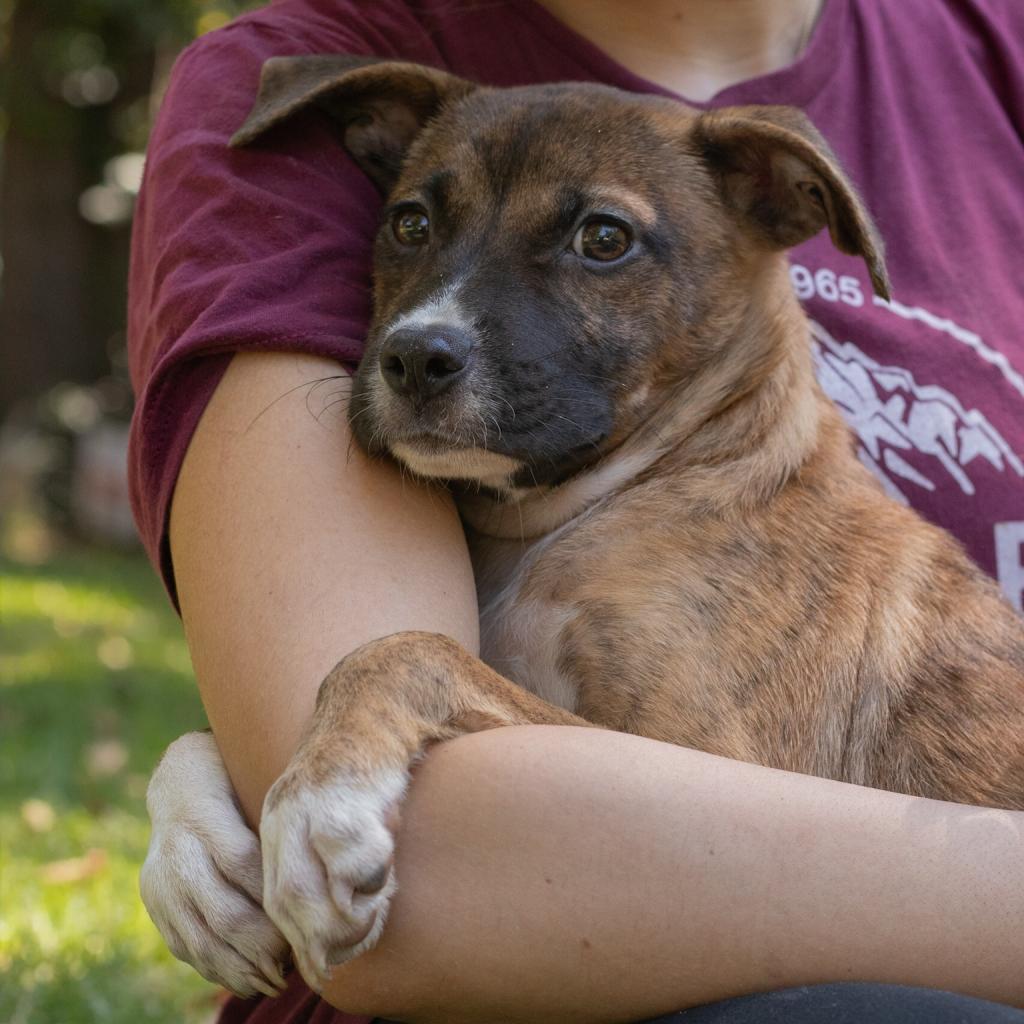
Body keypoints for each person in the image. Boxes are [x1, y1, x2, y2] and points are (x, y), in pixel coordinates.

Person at [127, 0, 1024, 1021]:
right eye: (417, 228)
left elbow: (693, 831)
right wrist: (236, 760)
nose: (433, 326)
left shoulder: (767, 552)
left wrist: (406, 687)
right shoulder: (299, 63)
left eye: (599, 240)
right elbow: (490, 848)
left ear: (785, 201)